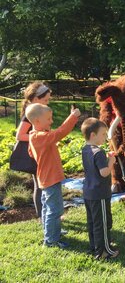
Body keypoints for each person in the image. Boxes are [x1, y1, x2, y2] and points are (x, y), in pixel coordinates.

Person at [26, 103, 81, 248]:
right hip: (50, 179)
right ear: (37, 121)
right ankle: (51, 240)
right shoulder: (39, 137)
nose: (51, 122)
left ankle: (50, 233)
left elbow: (31, 153)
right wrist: (73, 117)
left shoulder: (35, 136)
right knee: (55, 210)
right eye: (49, 119)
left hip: (46, 178)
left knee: (47, 208)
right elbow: (59, 133)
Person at [81, 118, 118, 260]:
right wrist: (111, 162)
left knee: (92, 222)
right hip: (100, 194)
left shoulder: (85, 149)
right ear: (93, 135)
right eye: (103, 134)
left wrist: (106, 159)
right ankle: (104, 251)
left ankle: (95, 246)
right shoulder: (99, 152)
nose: (105, 137)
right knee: (102, 223)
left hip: (88, 192)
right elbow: (104, 172)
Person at [15, 82, 51, 222]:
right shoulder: (29, 115)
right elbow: (19, 136)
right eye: (45, 100)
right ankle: (43, 217)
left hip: (38, 152)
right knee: (40, 185)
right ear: (36, 99)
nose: (47, 103)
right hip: (33, 155)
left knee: (41, 184)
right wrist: (40, 138)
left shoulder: (38, 111)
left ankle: (45, 216)